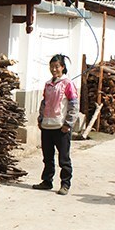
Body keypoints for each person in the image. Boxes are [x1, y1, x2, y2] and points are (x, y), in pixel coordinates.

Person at [32, 54, 79, 195]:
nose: (54, 69)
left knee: (64, 158)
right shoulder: (48, 84)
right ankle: (47, 181)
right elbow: (44, 103)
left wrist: (68, 123)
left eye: (57, 67)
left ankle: (65, 184)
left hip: (61, 127)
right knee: (47, 156)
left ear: (62, 67)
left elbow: (74, 105)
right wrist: (41, 119)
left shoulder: (67, 84)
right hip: (47, 126)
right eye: (52, 67)